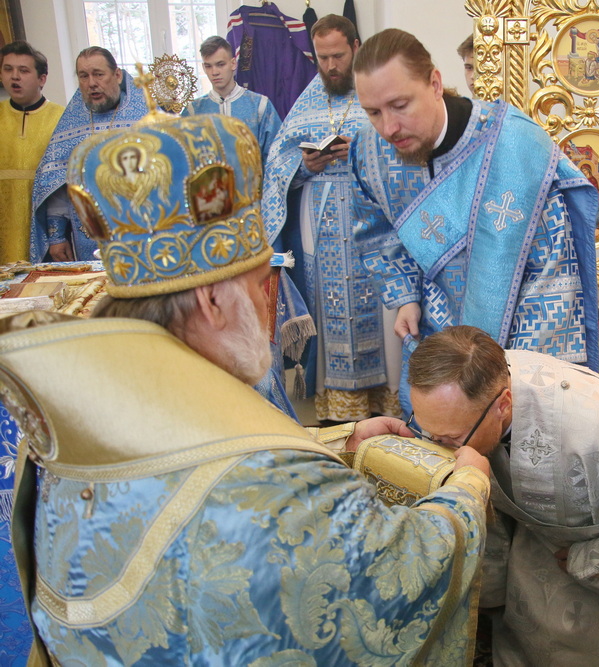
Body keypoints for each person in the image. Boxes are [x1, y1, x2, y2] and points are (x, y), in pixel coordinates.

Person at [2, 87, 491, 666]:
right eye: (264, 284)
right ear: (212, 303)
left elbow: (192, 453)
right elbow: (398, 575)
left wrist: (338, 443)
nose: (272, 305)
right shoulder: (286, 493)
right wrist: (467, 488)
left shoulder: (75, 416)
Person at [351, 28, 599, 415]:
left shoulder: (513, 146)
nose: (388, 128)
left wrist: (514, 377)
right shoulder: (369, 153)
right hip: (434, 334)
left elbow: (552, 273)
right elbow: (377, 230)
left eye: (400, 105)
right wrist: (404, 296)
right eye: (373, 112)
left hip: (517, 341)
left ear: (435, 83)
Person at [408, 325, 599, 666]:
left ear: (503, 405)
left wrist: (586, 559)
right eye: (428, 431)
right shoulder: (474, 394)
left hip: (592, 579)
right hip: (525, 561)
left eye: (450, 438)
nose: (440, 448)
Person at [264, 14, 399, 423]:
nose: (330, 66)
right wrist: (304, 165)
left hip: (373, 219)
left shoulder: (378, 91)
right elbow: (277, 163)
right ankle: (339, 410)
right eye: (322, 58)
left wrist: (362, 151)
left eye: (338, 56)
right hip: (321, 225)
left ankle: (387, 403)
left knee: (385, 307)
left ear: (356, 48)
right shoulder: (308, 99)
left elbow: (404, 149)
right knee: (330, 307)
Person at [30, 47, 147, 263]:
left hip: (141, 232)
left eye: (98, 74)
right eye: (83, 76)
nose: (91, 83)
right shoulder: (71, 124)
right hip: (87, 236)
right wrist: (56, 236)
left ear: (117, 75)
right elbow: (57, 184)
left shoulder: (144, 118)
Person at [0, 41, 63, 265]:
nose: (14, 77)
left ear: (42, 79)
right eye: (8, 69)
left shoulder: (61, 118)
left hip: (42, 221)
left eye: (24, 70)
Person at [182, 36, 281, 165]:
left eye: (220, 64)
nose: (214, 72)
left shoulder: (260, 106)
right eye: (208, 66)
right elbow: (183, 160)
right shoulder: (193, 111)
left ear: (233, 63)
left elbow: (276, 157)